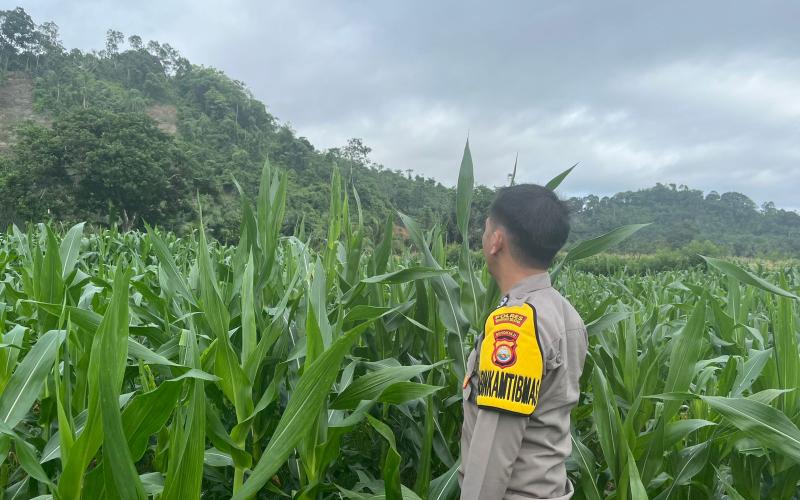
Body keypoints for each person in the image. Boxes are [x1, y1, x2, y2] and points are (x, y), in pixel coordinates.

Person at [459, 184, 588, 500]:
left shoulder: (515, 326)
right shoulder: (565, 313)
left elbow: (492, 454)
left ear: (496, 241)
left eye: (486, 229)